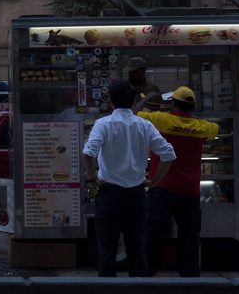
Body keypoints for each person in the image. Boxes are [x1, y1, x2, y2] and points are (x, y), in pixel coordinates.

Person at [83, 79, 176, 277]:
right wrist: (154, 181)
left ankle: (108, 289)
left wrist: (91, 181)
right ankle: (138, 288)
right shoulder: (145, 125)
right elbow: (168, 154)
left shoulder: (103, 124)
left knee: (107, 253)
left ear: (111, 102)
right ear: (134, 100)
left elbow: (88, 153)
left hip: (109, 196)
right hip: (136, 196)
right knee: (137, 252)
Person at [138, 85, 218, 277]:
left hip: (162, 187)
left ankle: (147, 272)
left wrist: (147, 99)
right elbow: (216, 129)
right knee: (189, 235)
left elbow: (134, 114)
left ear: (173, 103)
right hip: (190, 191)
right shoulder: (202, 127)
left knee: (152, 232)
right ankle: (189, 276)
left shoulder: (163, 120)